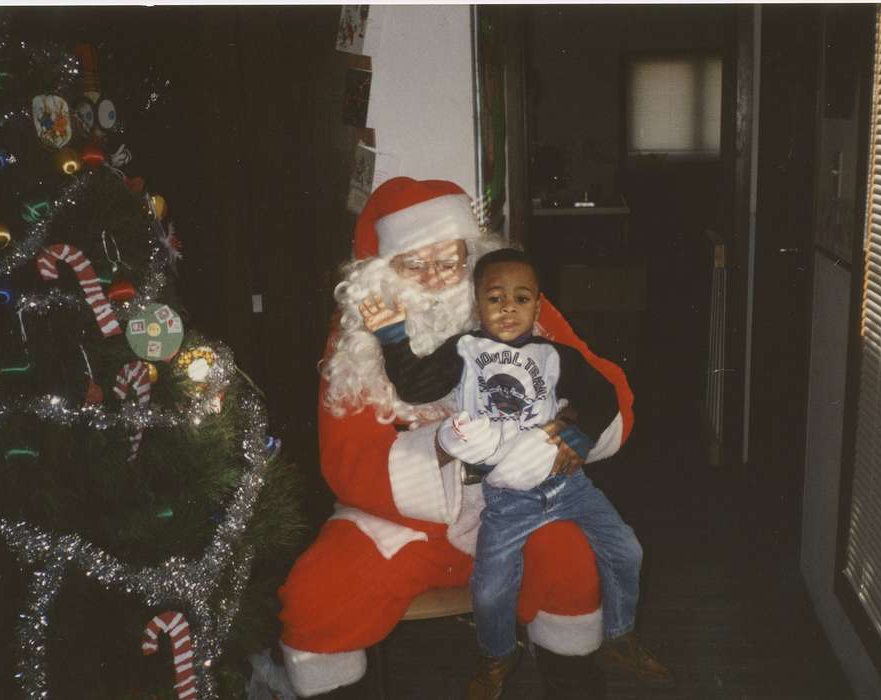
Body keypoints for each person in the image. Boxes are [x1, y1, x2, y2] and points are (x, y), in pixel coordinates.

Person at [277, 177, 664, 699]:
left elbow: (608, 388)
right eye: (415, 264)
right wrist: (442, 446)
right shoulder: (354, 341)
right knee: (316, 597)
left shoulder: (510, 305)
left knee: (576, 559)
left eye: (451, 260)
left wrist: (564, 436)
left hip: (527, 503)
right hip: (404, 524)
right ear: (382, 274)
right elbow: (347, 464)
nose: (436, 277)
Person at [358, 248, 671, 697]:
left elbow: (603, 394)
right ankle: (498, 653)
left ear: (538, 306)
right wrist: (391, 335)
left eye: (521, 299)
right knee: (489, 589)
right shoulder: (465, 350)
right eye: (496, 297)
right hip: (507, 498)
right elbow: (415, 385)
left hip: (569, 486)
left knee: (628, 550)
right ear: (477, 302)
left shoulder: (554, 355)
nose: (508, 308)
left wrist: (580, 435)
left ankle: (619, 635)